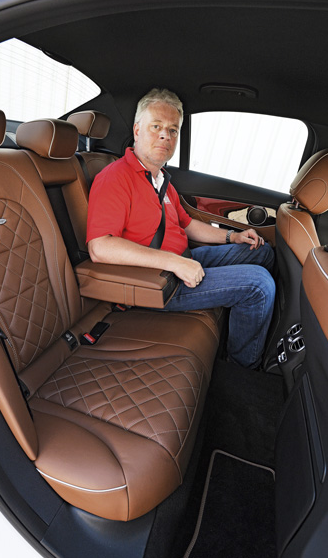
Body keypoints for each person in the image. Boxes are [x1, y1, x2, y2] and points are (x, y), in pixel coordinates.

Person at [86, 88, 275, 369]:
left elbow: (188, 224)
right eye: (156, 127)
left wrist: (232, 236)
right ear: (137, 130)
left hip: (181, 261)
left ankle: (243, 325)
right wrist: (174, 263)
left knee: (260, 251)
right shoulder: (115, 177)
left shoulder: (162, 180)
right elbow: (100, 247)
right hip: (155, 283)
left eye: (173, 130)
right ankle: (241, 368)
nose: (165, 135)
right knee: (259, 284)